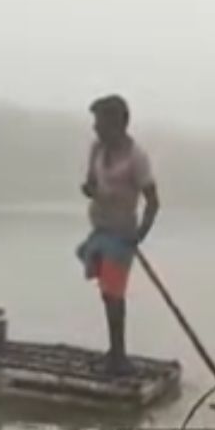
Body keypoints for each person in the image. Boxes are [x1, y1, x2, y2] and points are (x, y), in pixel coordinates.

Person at [76, 95, 161, 375]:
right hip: (100, 229)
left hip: (121, 233)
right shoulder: (97, 149)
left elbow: (152, 201)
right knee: (107, 294)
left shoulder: (136, 157)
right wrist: (89, 189)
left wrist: (140, 234)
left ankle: (119, 357)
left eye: (100, 122)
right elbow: (91, 182)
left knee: (114, 294)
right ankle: (115, 353)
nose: (95, 128)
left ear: (118, 123)